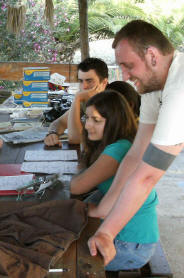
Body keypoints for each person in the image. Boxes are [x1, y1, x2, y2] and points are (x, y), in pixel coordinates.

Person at [87, 20, 184, 266]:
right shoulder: (153, 89)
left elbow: (147, 176)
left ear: (152, 55)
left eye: (128, 66)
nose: (126, 76)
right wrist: (107, 211)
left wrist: (107, 232)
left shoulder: (178, 90)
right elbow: (134, 156)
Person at [70, 91, 158, 271]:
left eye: (96, 120)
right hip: (132, 239)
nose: (87, 125)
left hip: (130, 246)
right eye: (86, 118)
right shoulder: (120, 143)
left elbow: (77, 186)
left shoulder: (118, 150)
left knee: (63, 256)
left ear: (114, 122)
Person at [44, 57, 108, 146]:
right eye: (81, 81)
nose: (84, 86)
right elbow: (60, 123)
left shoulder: (111, 102)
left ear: (104, 83)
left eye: (89, 81)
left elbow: (75, 139)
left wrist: (77, 98)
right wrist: (52, 133)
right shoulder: (88, 99)